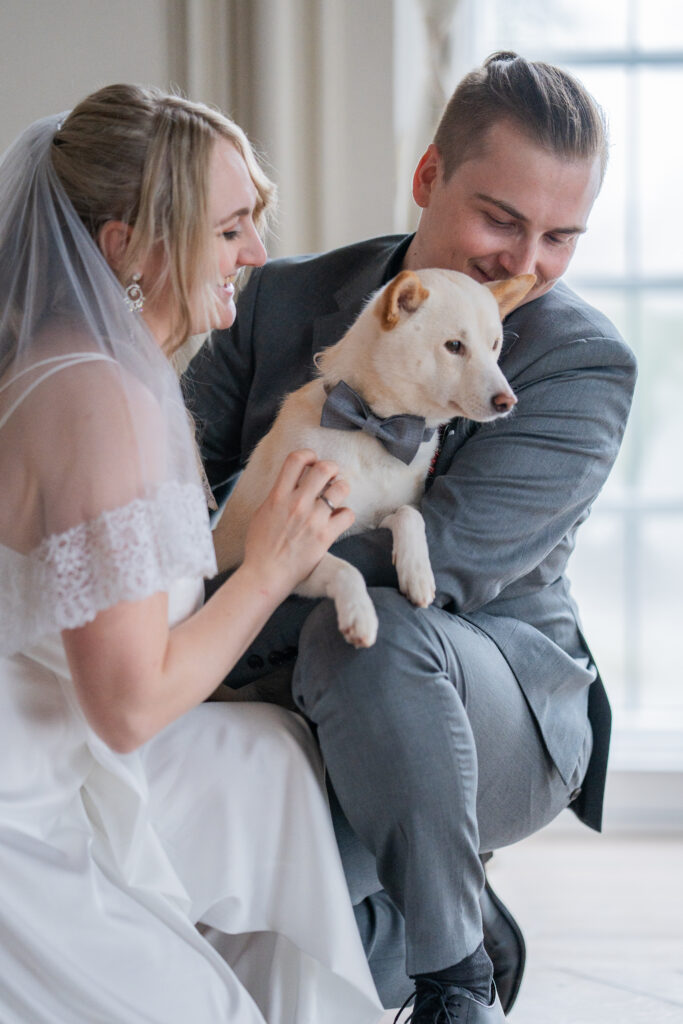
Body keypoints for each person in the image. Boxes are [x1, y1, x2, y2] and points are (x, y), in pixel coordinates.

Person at [184, 53, 637, 1023]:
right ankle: (433, 909)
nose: (524, 264)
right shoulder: (275, 299)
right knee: (213, 920)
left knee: (372, 635)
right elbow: (175, 493)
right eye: (500, 220)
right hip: (283, 644)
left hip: (487, 691)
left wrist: (222, 618)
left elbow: (446, 559)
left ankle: (453, 977)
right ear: (428, 177)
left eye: (559, 237)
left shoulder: (581, 361)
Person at [0, 84, 386, 1024]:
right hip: (22, 811)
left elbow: (107, 595)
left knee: (273, 761)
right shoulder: (101, 401)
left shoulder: (68, 363)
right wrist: (269, 569)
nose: (256, 254)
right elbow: (128, 706)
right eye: (227, 230)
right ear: (123, 247)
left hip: (47, 747)